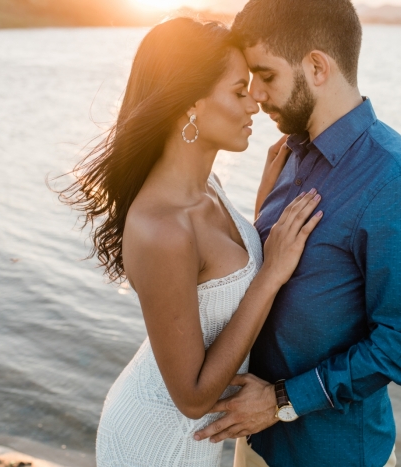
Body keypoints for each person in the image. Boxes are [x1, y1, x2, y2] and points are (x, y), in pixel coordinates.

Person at [58, 18, 323, 466]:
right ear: (191, 105)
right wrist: (271, 275)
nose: (255, 104)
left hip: (194, 442)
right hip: (154, 443)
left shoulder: (208, 187)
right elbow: (194, 398)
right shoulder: (160, 226)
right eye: (239, 91)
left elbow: (219, 275)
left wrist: (264, 214)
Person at [193, 1, 401, 466]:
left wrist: (281, 401)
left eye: (266, 76)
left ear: (316, 66)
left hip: (330, 453)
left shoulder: (396, 181)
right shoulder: (287, 154)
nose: (257, 96)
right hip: (254, 439)